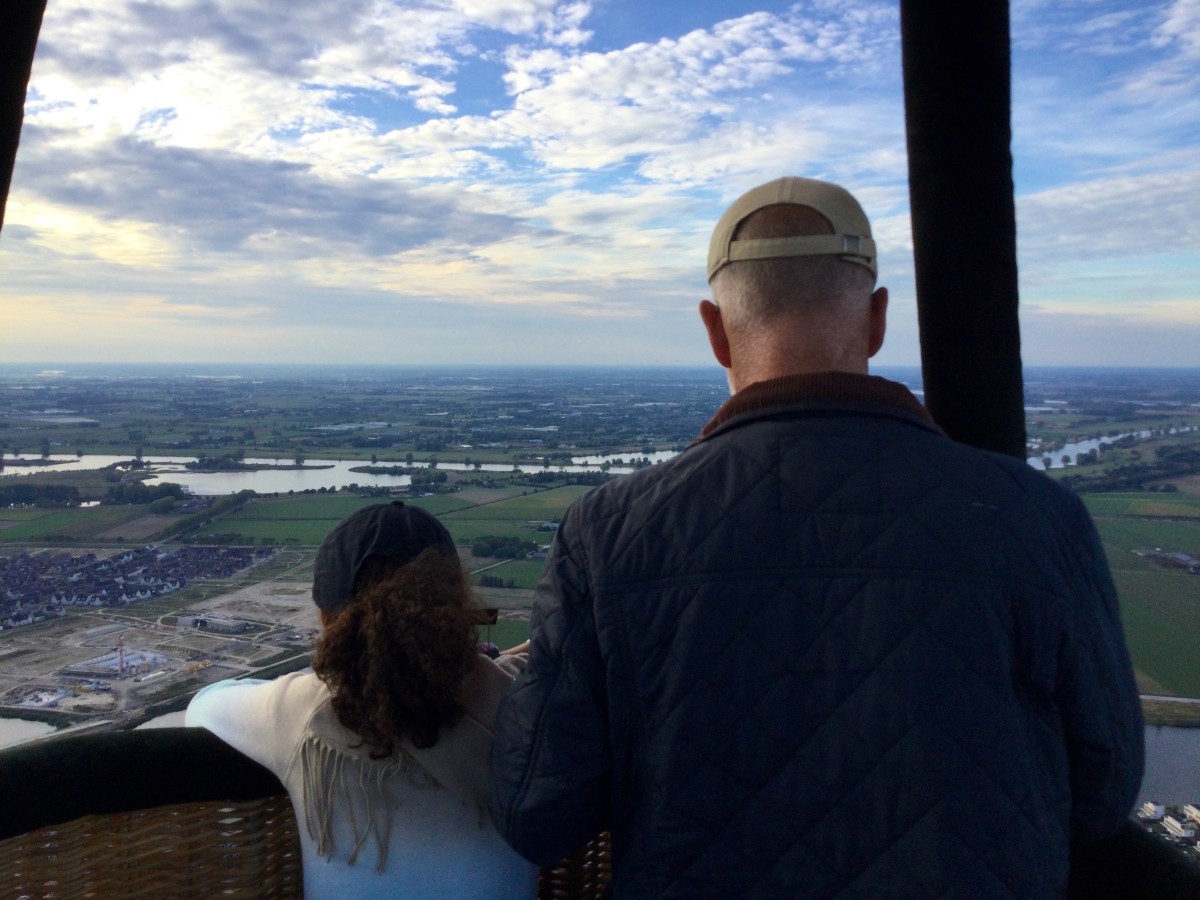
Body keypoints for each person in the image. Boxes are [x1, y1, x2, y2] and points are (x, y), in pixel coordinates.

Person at [489, 177, 1144, 897]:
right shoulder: (1042, 516)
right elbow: (1104, 793)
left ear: (714, 330)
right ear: (877, 320)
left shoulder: (607, 532)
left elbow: (538, 813)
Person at [187, 501, 538, 899]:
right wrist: (495, 665)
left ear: (325, 620)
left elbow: (204, 704)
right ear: (458, 611)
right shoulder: (521, 701)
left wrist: (317, 678)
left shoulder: (302, 712)